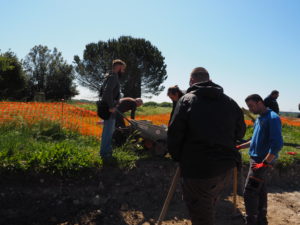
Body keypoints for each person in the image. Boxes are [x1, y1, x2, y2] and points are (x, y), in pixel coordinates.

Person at [167, 67, 246, 225]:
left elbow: (174, 134)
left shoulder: (186, 100)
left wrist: (179, 157)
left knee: (201, 214)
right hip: (226, 167)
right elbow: (240, 133)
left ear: (191, 81)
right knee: (208, 201)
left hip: (199, 169)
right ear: (209, 80)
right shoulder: (230, 102)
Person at [237, 94, 283, 225]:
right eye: (248, 107)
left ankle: (251, 221)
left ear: (260, 102)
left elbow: (277, 144)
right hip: (257, 160)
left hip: (261, 162)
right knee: (260, 190)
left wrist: (265, 163)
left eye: (251, 106)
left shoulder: (272, 118)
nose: (250, 109)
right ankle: (261, 220)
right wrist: (239, 146)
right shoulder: (260, 118)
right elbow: (254, 140)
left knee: (249, 192)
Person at [99, 59, 126, 160]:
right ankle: (105, 153)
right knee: (108, 131)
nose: (123, 71)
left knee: (107, 130)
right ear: (119, 67)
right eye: (122, 69)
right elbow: (107, 92)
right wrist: (111, 106)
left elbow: (105, 92)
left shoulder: (109, 76)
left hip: (107, 107)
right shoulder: (114, 77)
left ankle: (105, 150)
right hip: (110, 108)